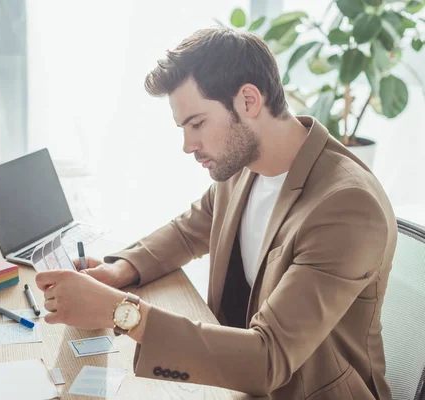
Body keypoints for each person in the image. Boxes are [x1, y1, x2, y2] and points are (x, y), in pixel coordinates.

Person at [35, 27, 397, 399]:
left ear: (249, 101)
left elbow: (268, 359)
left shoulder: (347, 205)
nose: (188, 145)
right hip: (236, 385)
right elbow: (188, 231)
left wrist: (120, 312)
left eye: (197, 123)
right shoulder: (243, 166)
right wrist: (115, 273)